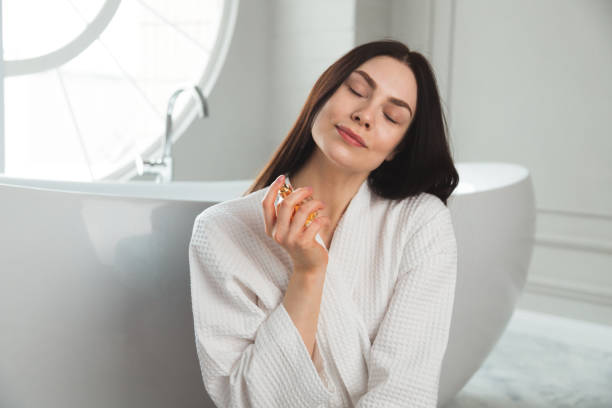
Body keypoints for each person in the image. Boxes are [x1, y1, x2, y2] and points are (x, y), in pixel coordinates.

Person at [189, 39, 459, 407]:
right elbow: (249, 400)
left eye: (392, 117)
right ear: (324, 92)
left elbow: (407, 391)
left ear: (397, 147)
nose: (366, 114)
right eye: (357, 91)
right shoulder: (221, 231)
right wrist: (309, 273)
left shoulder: (420, 223)